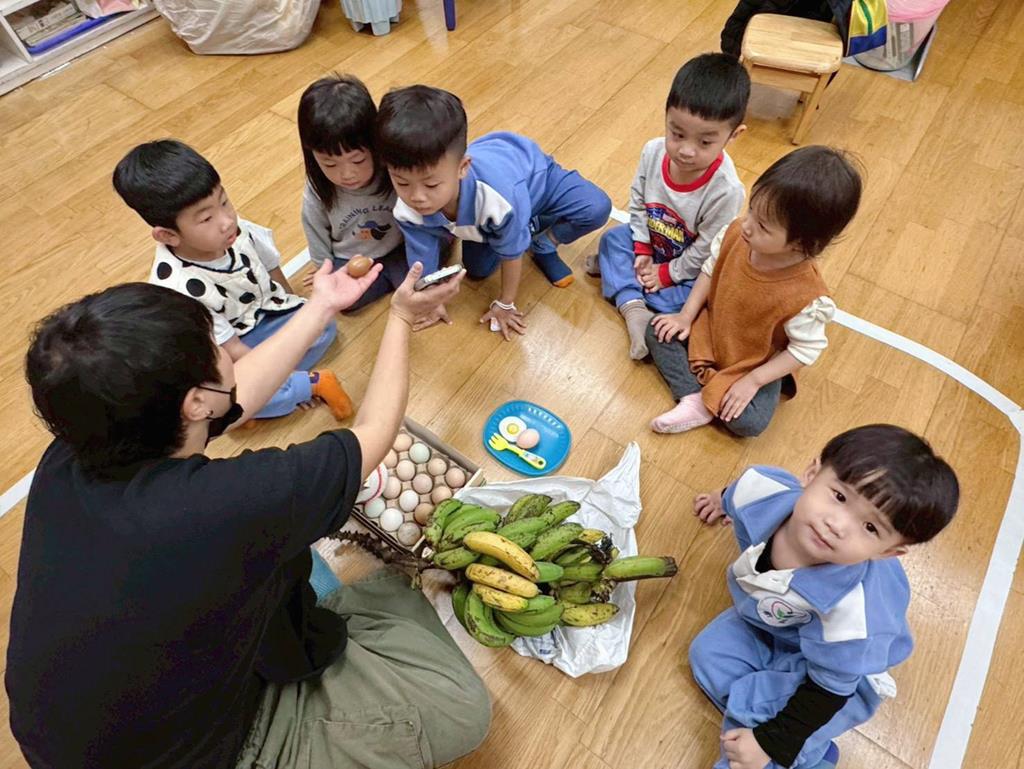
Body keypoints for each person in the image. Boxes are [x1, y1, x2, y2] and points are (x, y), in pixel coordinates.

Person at [6, 261, 491, 769]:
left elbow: (229, 400)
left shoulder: (85, 438)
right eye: (213, 342)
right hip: (184, 755)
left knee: (286, 562)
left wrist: (322, 305)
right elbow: (373, 433)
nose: (227, 349)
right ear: (195, 402)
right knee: (464, 710)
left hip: (67, 733)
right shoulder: (225, 504)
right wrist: (400, 318)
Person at [687, 424, 959, 769]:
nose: (837, 525)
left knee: (753, 719)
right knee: (707, 654)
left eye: (870, 527)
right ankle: (808, 749)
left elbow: (829, 690)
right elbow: (737, 491)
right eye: (840, 497)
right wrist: (719, 500)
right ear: (812, 473)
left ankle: (798, 750)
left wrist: (773, 740)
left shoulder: (853, 613)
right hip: (777, 630)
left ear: (888, 552)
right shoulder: (760, 492)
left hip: (839, 676)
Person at [113, 139, 357, 422]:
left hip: (263, 317)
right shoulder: (180, 289)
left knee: (323, 326)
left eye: (224, 201)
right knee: (222, 405)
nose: (227, 220)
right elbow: (232, 351)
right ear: (168, 235)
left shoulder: (238, 231)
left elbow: (272, 270)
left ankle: (271, 394)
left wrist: (298, 312)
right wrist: (283, 374)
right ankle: (309, 384)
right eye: (206, 218)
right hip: (228, 348)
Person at [645, 145, 862, 437]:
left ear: (803, 243)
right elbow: (710, 269)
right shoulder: (737, 234)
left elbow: (804, 350)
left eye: (762, 226)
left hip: (753, 361)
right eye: (751, 210)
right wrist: (685, 316)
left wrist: (754, 380)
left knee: (750, 423)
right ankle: (696, 398)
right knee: (656, 330)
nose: (746, 226)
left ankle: (708, 393)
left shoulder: (807, 298)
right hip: (712, 331)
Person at [376, 84, 612, 339]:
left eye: (431, 185)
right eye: (401, 182)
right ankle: (524, 225)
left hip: (537, 180)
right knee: (477, 270)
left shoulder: (497, 199)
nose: (417, 197)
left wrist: (505, 303)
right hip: (501, 207)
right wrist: (431, 300)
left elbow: (512, 255)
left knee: (596, 207)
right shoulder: (409, 207)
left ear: (463, 168)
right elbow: (422, 258)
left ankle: (543, 241)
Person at [589, 53, 748, 360]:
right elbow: (637, 202)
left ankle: (623, 285)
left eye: (705, 142)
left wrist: (668, 274)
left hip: (687, 266)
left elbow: (706, 249)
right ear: (666, 116)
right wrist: (643, 248)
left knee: (707, 294)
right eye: (677, 134)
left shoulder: (726, 190)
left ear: (734, 135)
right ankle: (635, 310)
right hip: (653, 245)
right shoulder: (652, 152)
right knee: (612, 239)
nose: (686, 150)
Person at [298, 73, 408, 311]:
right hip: (351, 255)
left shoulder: (391, 171)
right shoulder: (318, 189)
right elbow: (315, 230)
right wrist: (323, 267)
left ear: (375, 144)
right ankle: (391, 278)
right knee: (345, 301)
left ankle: (393, 275)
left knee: (420, 280)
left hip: (400, 247)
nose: (347, 174)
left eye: (358, 160)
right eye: (329, 164)